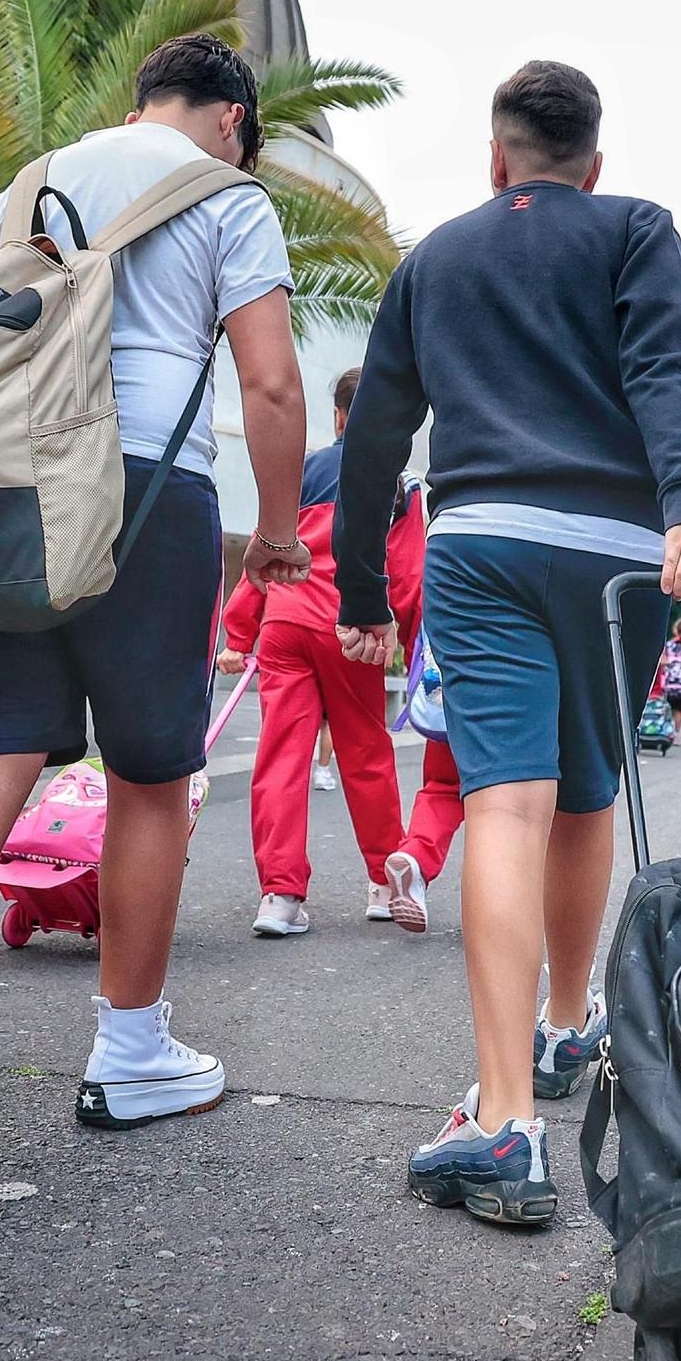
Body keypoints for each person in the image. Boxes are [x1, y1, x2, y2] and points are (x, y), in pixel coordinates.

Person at [0, 36, 313, 1207]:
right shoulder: (231, 199)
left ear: (141, 99)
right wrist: (277, 531)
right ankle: (130, 1054)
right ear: (232, 118)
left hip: (11, 494)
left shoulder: (33, 179)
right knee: (146, 772)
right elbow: (272, 384)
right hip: (142, 493)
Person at [333, 59, 681, 1228]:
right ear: (590, 163)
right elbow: (667, 364)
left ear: (495, 156)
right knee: (587, 788)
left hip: (481, 539)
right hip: (619, 550)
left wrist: (360, 584)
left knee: (505, 802)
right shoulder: (635, 227)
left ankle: (504, 1120)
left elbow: (377, 438)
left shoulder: (433, 256)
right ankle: (566, 1026)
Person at [219, 366, 423, 936]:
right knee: (366, 754)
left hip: (285, 623)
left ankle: (279, 897)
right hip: (351, 629)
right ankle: (384, 884)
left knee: (282, 756)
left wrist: (239, 634)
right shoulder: (398, 485)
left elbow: (262, 554)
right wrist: (414, 641)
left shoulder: (299, 473)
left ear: (336, 418)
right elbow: (408, 575)